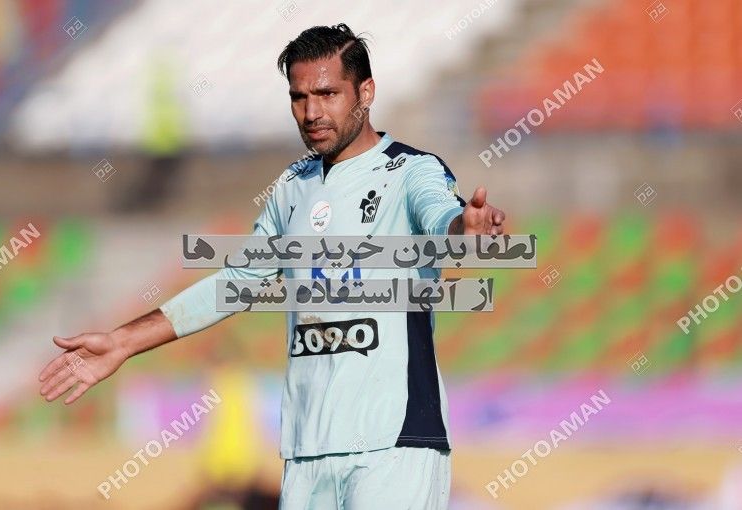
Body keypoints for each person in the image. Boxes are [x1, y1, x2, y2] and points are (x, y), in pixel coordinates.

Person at [39, 23, 506, 509]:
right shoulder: (292, 186)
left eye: (327, 94)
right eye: (299, 97)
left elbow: (442, 219)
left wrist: (463, 229)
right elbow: (238, 282)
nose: (312, 112)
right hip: (306, 451)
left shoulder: (411, 170)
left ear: (366, 92)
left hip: (394, 442)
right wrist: (123, 341)